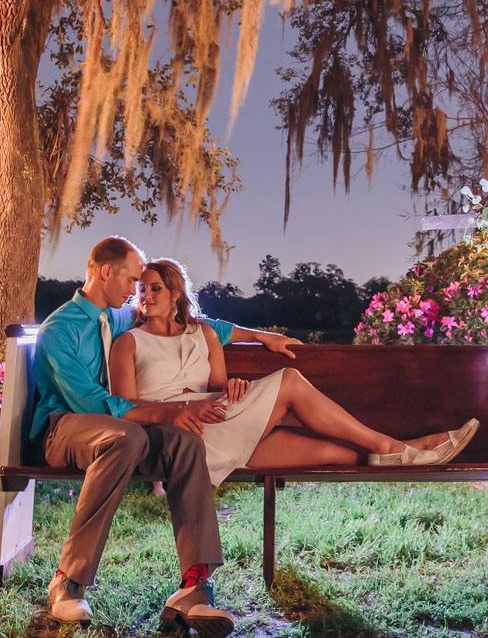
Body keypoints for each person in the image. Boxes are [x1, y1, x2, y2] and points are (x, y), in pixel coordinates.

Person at [30, 236, 301, 635]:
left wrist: (259, 336)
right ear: (107, 273)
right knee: (129, 436)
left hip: (127, 431)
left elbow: (206, 326)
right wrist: (171, 411)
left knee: (186, 442)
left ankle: (194, 586)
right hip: (65, 426)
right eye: (131, 281)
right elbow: (91, 403)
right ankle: (68, 580)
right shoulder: (59, 329)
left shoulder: (119, 316)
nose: (135, 291)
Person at [109, 258, 478, 485]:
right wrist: (175, 413)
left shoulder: (203, 333)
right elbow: (126, 408)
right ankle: (395, 446)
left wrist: (236, 385)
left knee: (340, 455)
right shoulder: (129, 343)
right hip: (184, 437)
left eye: (155, 288)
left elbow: (218, 389)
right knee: (288, 381)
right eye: (141, 290)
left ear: (175, 293)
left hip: (223, 420)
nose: (146, 296)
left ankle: (405, 449)